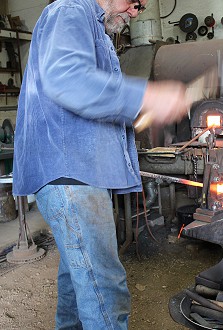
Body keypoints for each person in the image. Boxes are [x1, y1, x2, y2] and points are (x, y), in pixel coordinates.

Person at [12, 0, 190, 329]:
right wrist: (148, 97)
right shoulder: (69, 10)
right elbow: (68, 79)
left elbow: (96, 100)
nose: (137, 11)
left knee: (76, 282)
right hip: (71, 176)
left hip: (81, 175)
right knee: (105, 288)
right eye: (134, 2)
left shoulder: (100, 32)